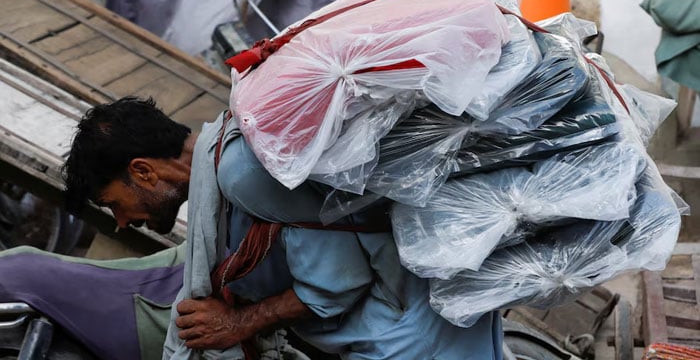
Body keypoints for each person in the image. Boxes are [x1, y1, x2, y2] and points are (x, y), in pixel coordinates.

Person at [63, 96, 504, 359]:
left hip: (414, 340)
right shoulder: (226, 157)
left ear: (142, 172)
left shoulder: (239, 171)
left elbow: (336, 283)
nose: (121, 223)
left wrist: (238, 323)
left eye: (113, 205)